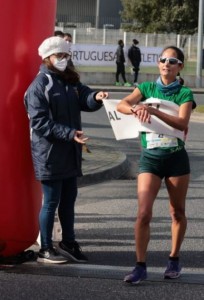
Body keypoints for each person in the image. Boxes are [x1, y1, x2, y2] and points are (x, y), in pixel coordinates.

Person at [24, 36, 108, 264]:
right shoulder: (40, 85)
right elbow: (39, 122)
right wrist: (70, 134)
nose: (64, 59)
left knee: (69, 199)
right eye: (59, 55)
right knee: (51, 201)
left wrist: (96, 97)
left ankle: (68, 242)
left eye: (66, 55)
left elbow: (85, 97)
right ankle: (46, 248)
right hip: (49, 152)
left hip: (71, 151)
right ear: (47, 58)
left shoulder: (68, 81)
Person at [117, 46, 196, 284]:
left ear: (179, 66)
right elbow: (122, 105)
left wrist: (153, 109)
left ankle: (174, 259)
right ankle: (140, 266)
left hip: (175, 158)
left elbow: (182, 123)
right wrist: (136, 107)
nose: (166, 64)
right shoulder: (146, 88)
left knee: (177, 212)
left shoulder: (185, 93)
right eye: (163, 60)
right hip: (150, 157)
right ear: (158, 63)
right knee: (143, 213)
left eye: (172, 61)